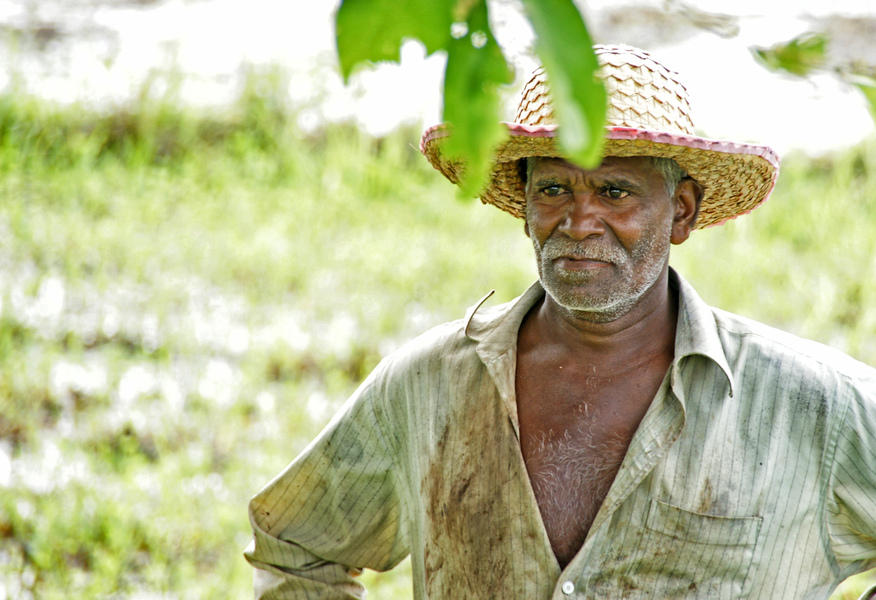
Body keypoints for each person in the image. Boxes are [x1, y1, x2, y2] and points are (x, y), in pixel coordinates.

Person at [244, 45, 876, 599]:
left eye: (615, 192)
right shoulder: (426, 387)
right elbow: (298, 545)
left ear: (680, 212)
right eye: (552, 191)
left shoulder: (809, 403)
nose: (578, 223)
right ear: (523, 205)